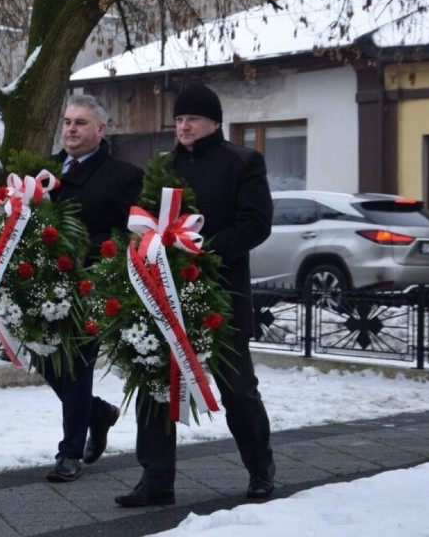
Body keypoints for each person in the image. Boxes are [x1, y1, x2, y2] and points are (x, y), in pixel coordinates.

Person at [115, 83, 275, 507]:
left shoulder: (243, 162)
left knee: (238, 389)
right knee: (155, 383)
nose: (184, 126)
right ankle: (155, 480)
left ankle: (261, 469)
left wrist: (200, 250)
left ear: (214, 122)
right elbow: (145, 221)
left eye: (193, 119)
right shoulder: (163, 166)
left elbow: (256, 225)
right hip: (161, 298)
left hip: (220, 298)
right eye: (180, 119)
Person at [41, 93, 144, 483]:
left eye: (80, 123)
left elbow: (133, 236)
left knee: (76, 365)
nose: (70, 129)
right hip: (44, 287)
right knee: (47, 360)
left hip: (92, 287)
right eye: (67, 121)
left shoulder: (124, 176)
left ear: (101, 129)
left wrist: (102, 259)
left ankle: (69, 453)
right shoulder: (45, 171)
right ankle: (97, 412)